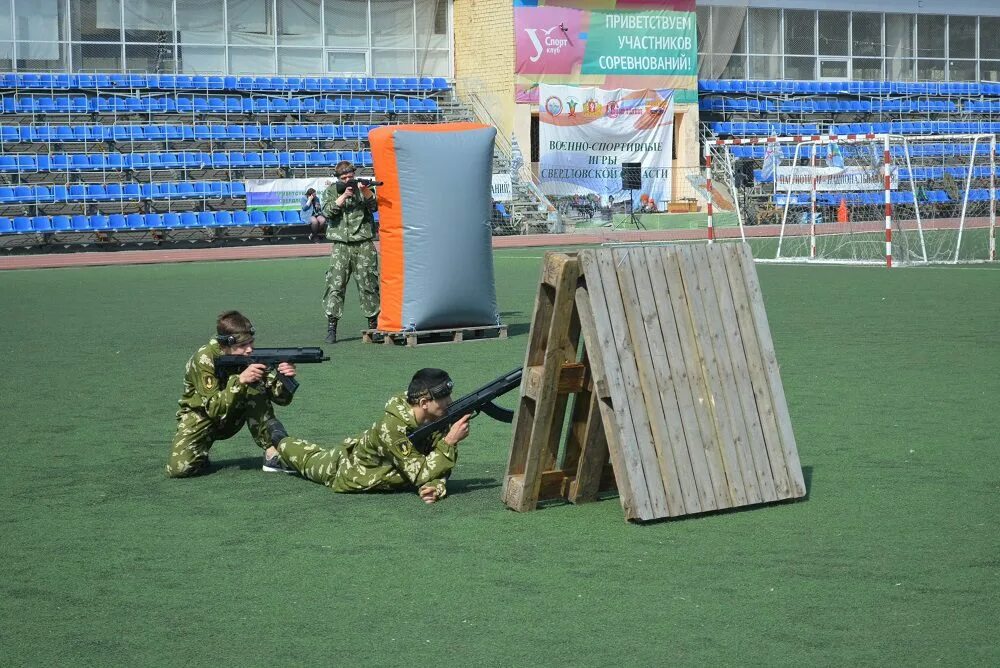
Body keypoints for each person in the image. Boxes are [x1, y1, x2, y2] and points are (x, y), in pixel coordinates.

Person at [275, 368, 471, 503]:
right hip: (345, 470)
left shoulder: (437, 417)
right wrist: (450, 441)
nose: (449, 402)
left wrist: (435, 486)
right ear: (423, 403)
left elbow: (437, 463)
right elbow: (420, 474)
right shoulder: (392, 428)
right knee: (303, 456)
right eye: (443, 398)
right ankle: (275, 443)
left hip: (388, 470)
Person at [166, 310, 298, 478]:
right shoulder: (204, 358)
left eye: (251, 343)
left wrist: (284, 377)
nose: (249, 349)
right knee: (178, 468)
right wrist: (240, 380)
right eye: (243, 346)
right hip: (202, 415)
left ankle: (273, 453)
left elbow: (282, 399)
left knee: (255, 388)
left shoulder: (251, 357)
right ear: (224, 345)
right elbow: (214, 408)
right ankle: (199, 454)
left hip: (234, 413)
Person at [320, 160, 380, 343]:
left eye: (350, 177)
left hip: (363, 243)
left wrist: (365, 190)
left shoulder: (363, 190)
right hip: (341, 245)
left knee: (369, 284)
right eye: (344, 178)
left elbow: (375, 206)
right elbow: (328, 212)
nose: (348, 180)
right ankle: (332, 327)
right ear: (338, 178)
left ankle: (374, 326)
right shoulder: (331, 191)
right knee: (335, 286)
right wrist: (344, 195)